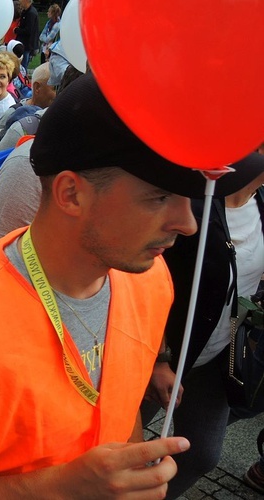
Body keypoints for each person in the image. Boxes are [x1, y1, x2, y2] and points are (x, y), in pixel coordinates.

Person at [0, 73, 222, 498]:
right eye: (158, 198)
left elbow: (120, 402)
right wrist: (64, 488)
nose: (188, 224)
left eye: (188, 199)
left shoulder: (151, 279)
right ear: (71, 194)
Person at [142, 152, 264, 498]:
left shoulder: (261, 202)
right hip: (163, 353)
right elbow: (142, 276)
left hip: (219, 355)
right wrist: (158, 357)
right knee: (120, 437)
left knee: (200, 453)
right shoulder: (195, 200)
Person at [16, 0, 39, 71]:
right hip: (23, 43)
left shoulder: (31, 13)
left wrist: (17, 30)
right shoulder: (25, 11)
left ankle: (23, 79)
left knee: (23, 65)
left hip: (27, 45)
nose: (19, 1)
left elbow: (28, 30)